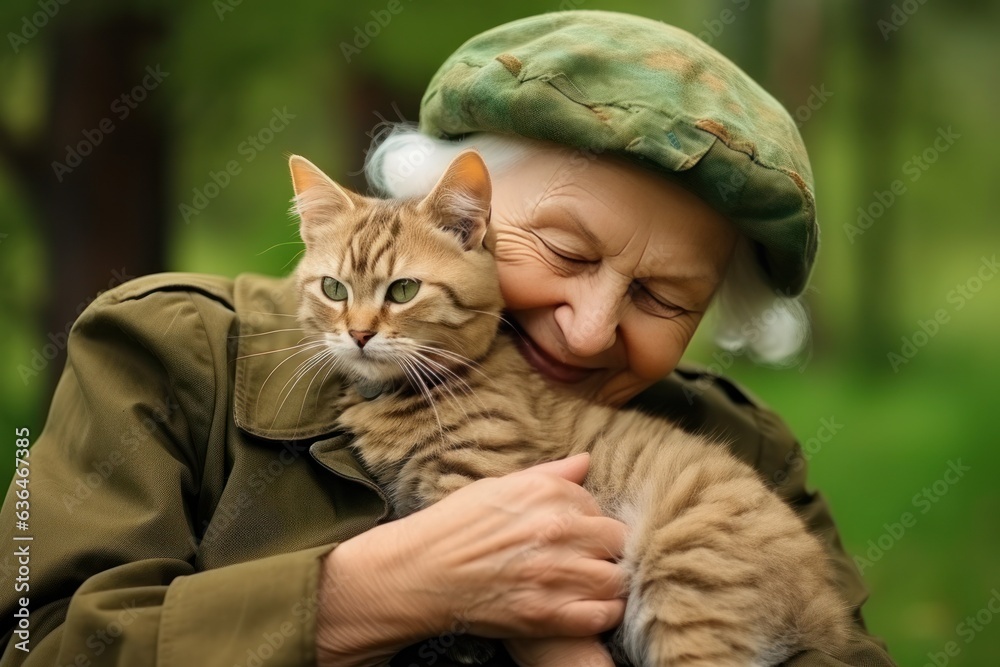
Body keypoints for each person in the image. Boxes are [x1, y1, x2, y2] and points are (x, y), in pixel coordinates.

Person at [0, 10, 896, 667]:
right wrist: (361, 593)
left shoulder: (739, 446)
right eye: (563, 249)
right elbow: (35, 645)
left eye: (663, 297)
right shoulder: (171, 352)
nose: (588, 332)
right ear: (465, 217)